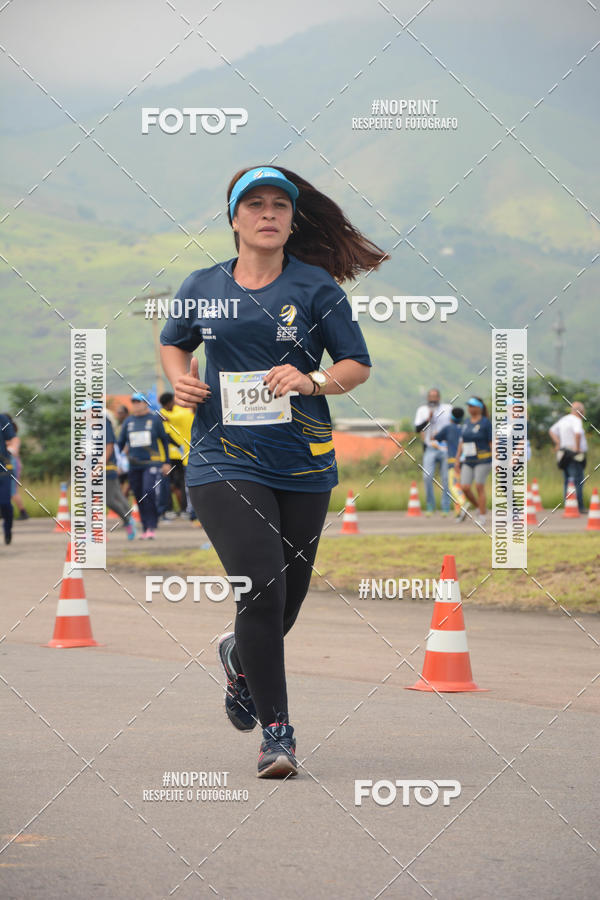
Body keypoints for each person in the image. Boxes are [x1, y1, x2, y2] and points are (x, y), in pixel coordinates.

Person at [160, 165, 387, 778]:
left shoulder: (315, 288)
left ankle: (239, 657)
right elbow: (174, 340)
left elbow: (356, 365)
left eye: (278, 206)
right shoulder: (202, 285)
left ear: (291, 219)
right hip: (222, 457)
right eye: (254, 205)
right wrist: (177, 377)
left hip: (302, 460)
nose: (268, 214)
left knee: (285, 600)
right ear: (234, 219)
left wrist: (311, 378)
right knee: (259, 588)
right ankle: (278, 734)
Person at [117, 393, 171, 539]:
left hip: (152, 463)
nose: (135, 404)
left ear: (145, 403)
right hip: (134, 465)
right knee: (139, 495)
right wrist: (113, 461)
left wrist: (167, 462)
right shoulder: (129, 422)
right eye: (133, 401)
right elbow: (120, 443)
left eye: (138, 401)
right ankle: (146, 526)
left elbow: (164, 441)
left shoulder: (154, 420)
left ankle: (152, 525)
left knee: (149, 491)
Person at [455, 397, 492, 527]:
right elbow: (462, 442)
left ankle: (481, 516)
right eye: (468, 406)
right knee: (464, 487)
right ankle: (479, 507)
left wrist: (497, 459)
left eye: (472, 406)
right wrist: (457, 459)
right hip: (468, 459)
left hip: (483, 459)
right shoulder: (466, 422)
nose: (469, 409)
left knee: (479, 486)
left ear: (479, 408)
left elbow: (491, 442)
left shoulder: (486, 423)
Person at [414, 388, 452, 515]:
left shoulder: (447, 409)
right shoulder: (422, 410)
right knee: (427, 476)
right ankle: (430, 505)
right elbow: (418, 429)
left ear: (439, 398)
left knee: (446, 478)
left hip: (445, 448)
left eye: (435, 396)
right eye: (431, 396)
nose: (433, 399)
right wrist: (428, 419)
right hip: (430, 448)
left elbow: (453, 426)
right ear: (428, 398)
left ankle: (446, 506)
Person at [159, 392, 194, 517]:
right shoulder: (175, 412)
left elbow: (167, 428)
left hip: (178, 455)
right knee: (172, 484)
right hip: (173, 455)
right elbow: (167, 435)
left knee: (177, 483)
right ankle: (175, 509)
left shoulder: (167, 413)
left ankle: (181, 509)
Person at [549, 401, 587, 513]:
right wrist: (577, 447)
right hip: (573, 454)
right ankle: (579, 506)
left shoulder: (563, 420)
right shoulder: (576, 420)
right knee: (578, 480)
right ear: (580, 411)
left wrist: (558, 443)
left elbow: (551, 431)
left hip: (563, 453)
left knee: (567, 480)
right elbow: (578, 433)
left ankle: (568, 505)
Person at [429, 407, 465, 518]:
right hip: (466, 461)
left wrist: (432, 425)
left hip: (453, 461)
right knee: (460, 486)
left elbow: (434, 437)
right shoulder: (464, 428)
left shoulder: (448, 428)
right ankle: (458, 512)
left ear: (451, 417)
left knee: (453, 486)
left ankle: (462, 502)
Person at [3, 415, 28, 520]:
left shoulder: (13, 438)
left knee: (12, 491)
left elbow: (13, 452)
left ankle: (23, 512)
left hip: (11, 465)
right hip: (9, 465)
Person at [0, 413, 17, 544]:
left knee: (5, 503)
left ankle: (7, 529)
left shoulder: (2, 419)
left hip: (3, 469)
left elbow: (13, 438)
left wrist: (13, 449)